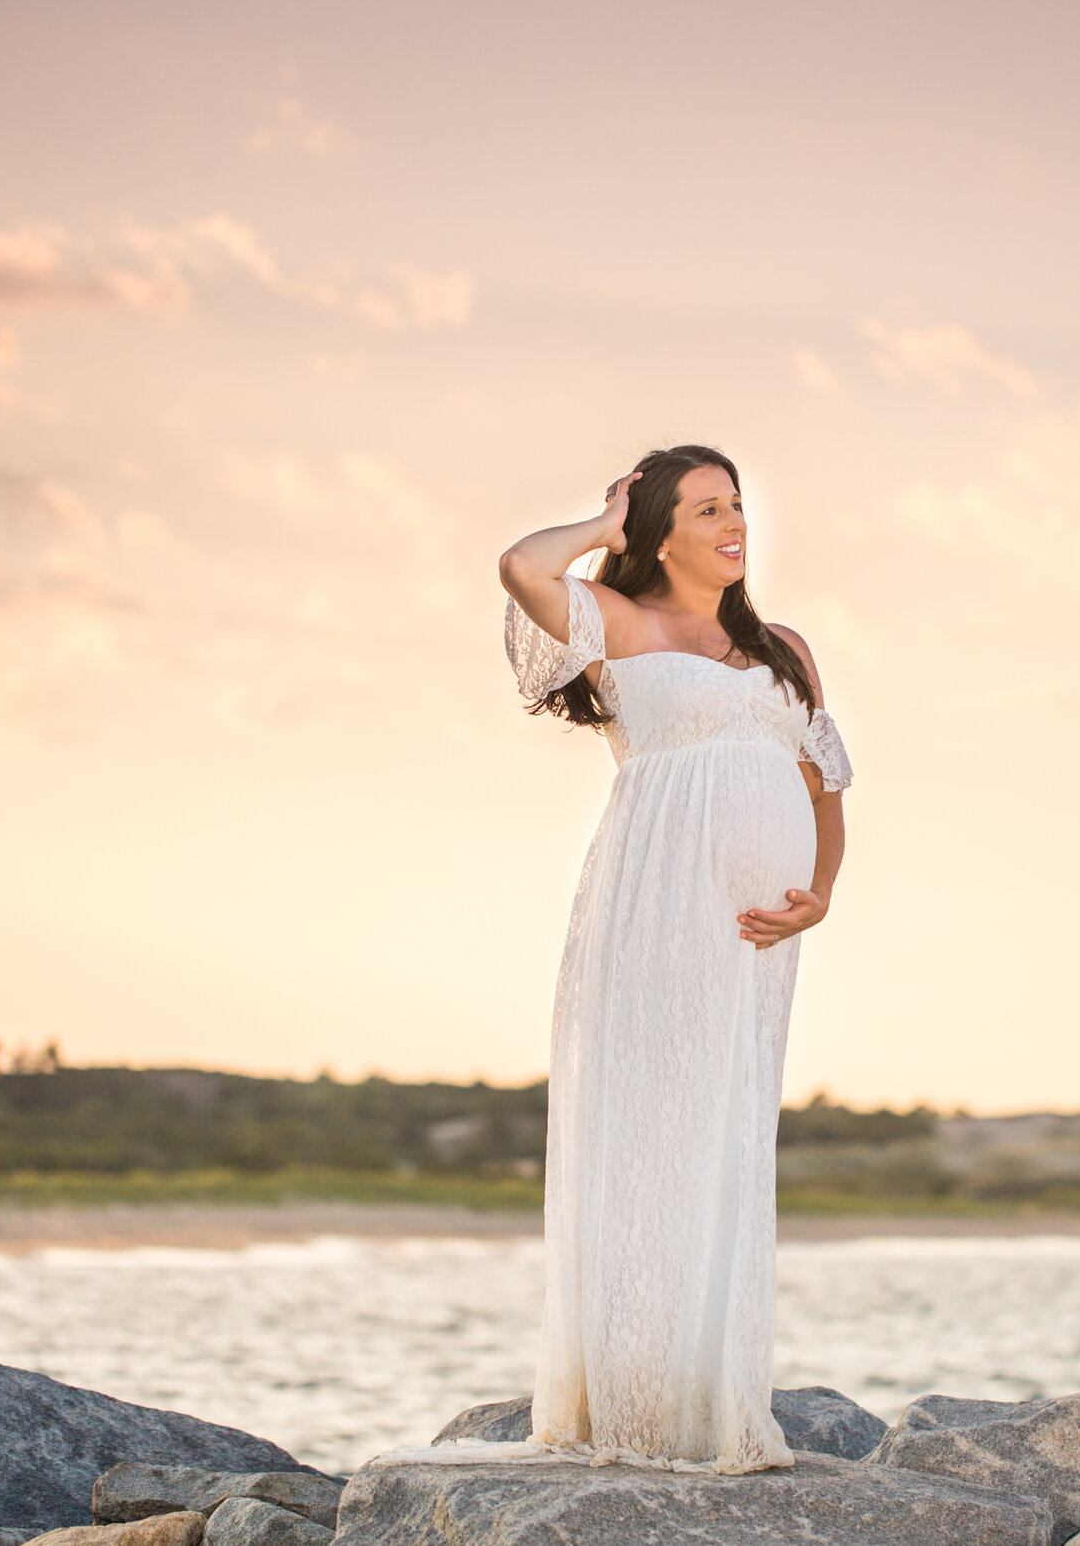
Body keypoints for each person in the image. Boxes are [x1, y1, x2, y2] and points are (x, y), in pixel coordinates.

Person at [374, 443, 851, 1475]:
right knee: (649, 1126)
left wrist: (820, 895)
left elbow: (823, 786)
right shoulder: (614, 621)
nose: (734, 524)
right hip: (655, 904)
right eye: (709, 507)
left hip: (758, 932)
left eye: (738, 506)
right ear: (660, 529)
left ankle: (705, 1392)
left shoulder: (783, 649)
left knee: (722, 1128)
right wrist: (603, 524)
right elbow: (519, 567)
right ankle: (633, 1409)